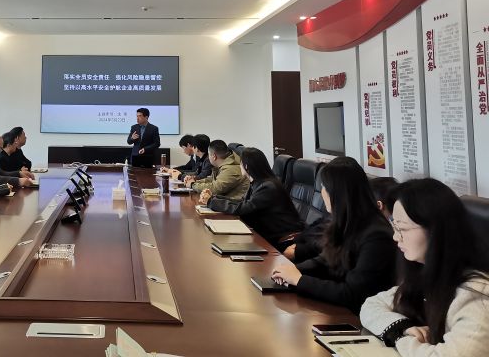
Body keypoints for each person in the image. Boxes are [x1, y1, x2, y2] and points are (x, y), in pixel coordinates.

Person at [360, 178, 489, 356]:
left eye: (402, 228)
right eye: (394, 226)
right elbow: (371, 305)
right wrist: (402, 327)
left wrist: (400, 338)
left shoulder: (477, 296)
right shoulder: (426, 275)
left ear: (435, 230)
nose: (395, 237)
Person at [271, 156, 396, 313]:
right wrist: (292, 270)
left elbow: (353, 294)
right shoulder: (349, 221)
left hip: (356, 317)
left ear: (337, 193)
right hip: (337, 308)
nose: (322, 192)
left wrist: (299, 280)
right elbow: (326, 260)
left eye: (324, 187)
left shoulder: (377, 237)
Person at [200, 147, 302, 251]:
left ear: (246, 166)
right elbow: (242, 202)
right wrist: (214, 198)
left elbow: (244, 208)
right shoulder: (257, 183)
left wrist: (211, 201)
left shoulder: (268, 187)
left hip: (284, 240)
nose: (239, 166)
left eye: (240, 163)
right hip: (268, 234)